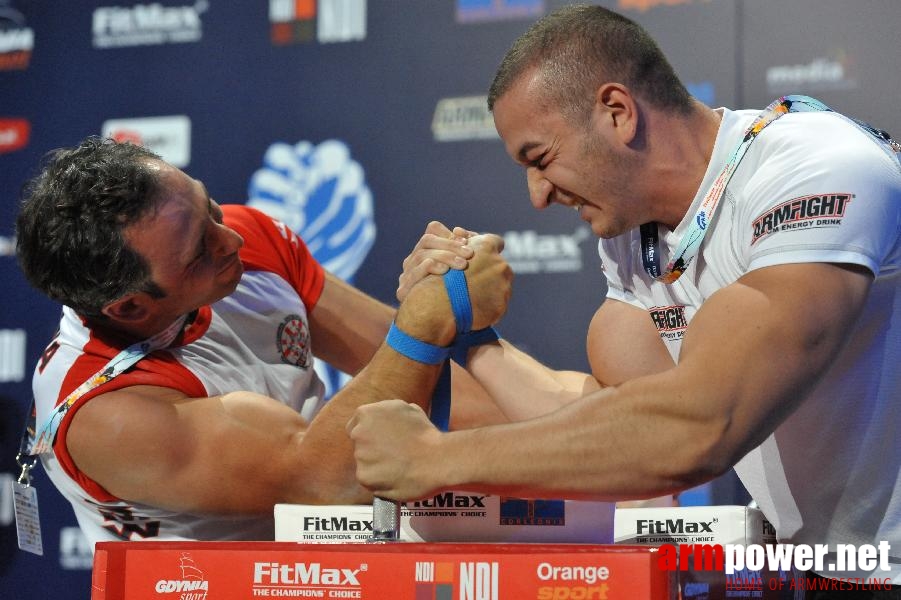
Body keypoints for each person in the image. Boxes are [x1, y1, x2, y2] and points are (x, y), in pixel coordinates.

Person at [346, 3, 901, 591]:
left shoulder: (815, 169)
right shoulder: (635, 238)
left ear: (617, 112)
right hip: (827, 575)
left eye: (541, 159)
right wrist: (471, 333)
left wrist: (434, 460)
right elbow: (620, 426)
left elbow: (697, 427)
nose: (536, 196)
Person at [15, 136, 511, 545]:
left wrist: (552, 443)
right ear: (129, 307)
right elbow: (324, 481)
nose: (229, 241)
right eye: (198, 252)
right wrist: (427, 314)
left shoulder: (243, 235)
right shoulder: (106, 414)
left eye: (208, 207)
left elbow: (430, 378)